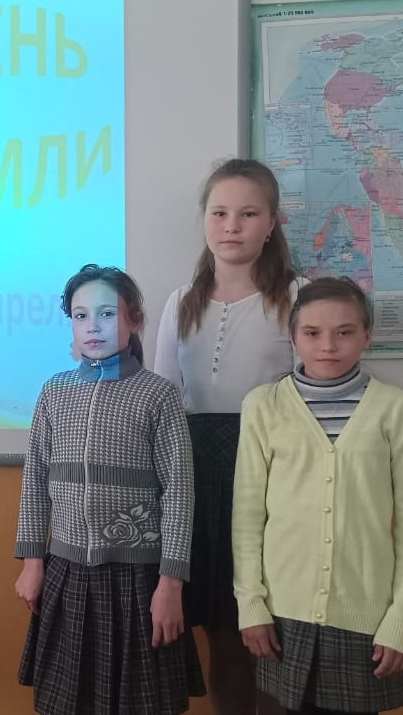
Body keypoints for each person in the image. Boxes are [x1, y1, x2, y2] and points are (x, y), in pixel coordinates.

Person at [233, 277, 403, 715]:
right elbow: (246, 517)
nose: (328, 345)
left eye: (345, 332)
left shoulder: (395, 409)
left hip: (365, 616)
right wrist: (251, 605)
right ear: (293, 338)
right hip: (281, 614)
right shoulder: (263, 406)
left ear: (367, 336)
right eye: (312, 332)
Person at [14, 264, 204, 715]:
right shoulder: (54, 393)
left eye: (106, 314)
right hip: (66, 574)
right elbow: (35, 483)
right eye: (81, 316)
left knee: (140, 704)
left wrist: (170, 585)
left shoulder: (158, 395)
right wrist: (33, 563)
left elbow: (179, 494)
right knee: (69, 702)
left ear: (135, 319)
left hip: (138, 578)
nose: (92, 327)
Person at [153, 157, 306, 715]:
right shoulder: (181, 302)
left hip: (273, 473)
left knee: (270, 625)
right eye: (219, 213)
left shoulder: (297, 296)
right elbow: (164, 402)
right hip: (198, 475)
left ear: (272, 223)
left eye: (248, 214)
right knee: (221, 626)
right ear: (205, 220)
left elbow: (310, 398)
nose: (232, 226)